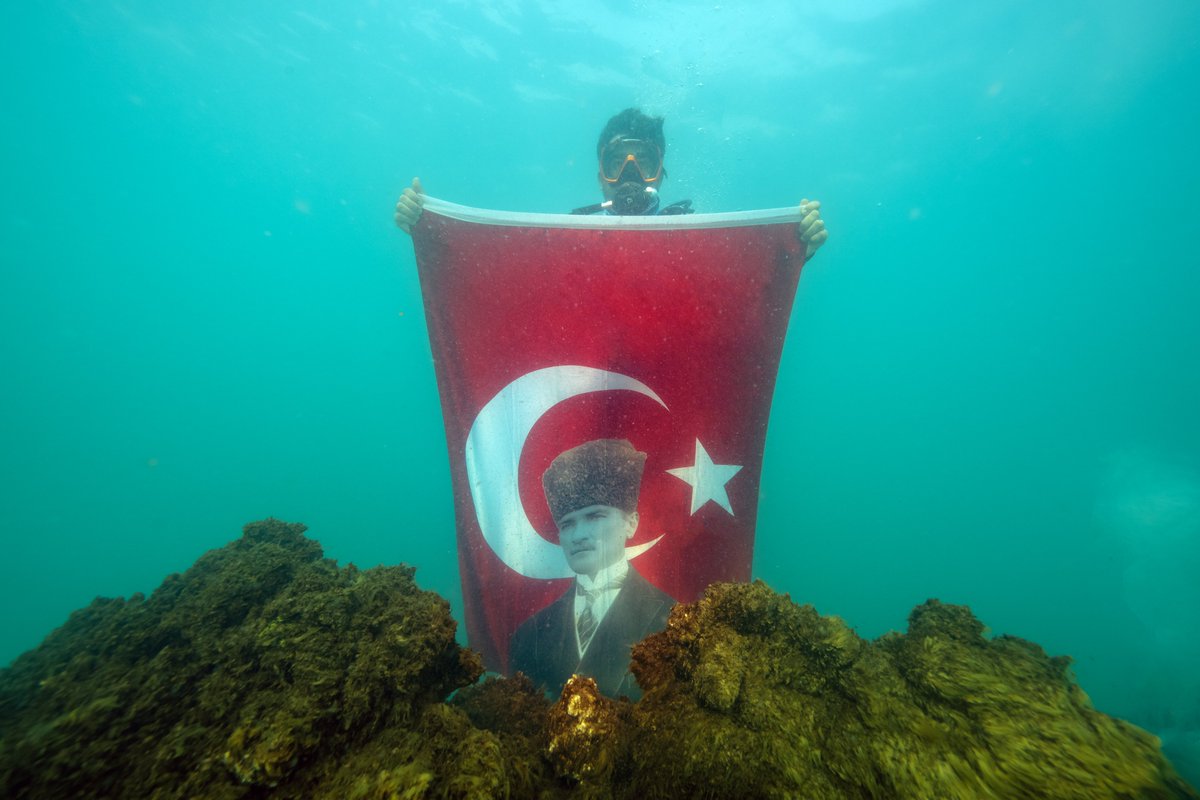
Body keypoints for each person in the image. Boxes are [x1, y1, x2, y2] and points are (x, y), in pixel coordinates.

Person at [394, 108, 828, 259]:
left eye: (645, 162)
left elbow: (750, 296)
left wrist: (793, 247)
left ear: (663, 170)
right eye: (617, 163)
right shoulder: (567, 231)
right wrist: (432, 232)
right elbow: (495, 284)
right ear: (601, 175)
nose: (631, 176)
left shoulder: (696, 232)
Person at [508, 438, 676, 700]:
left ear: (631, 523)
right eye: (567, 524)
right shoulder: (530, 636)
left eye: (595, 516)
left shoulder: (673, 624)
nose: (578, 535)